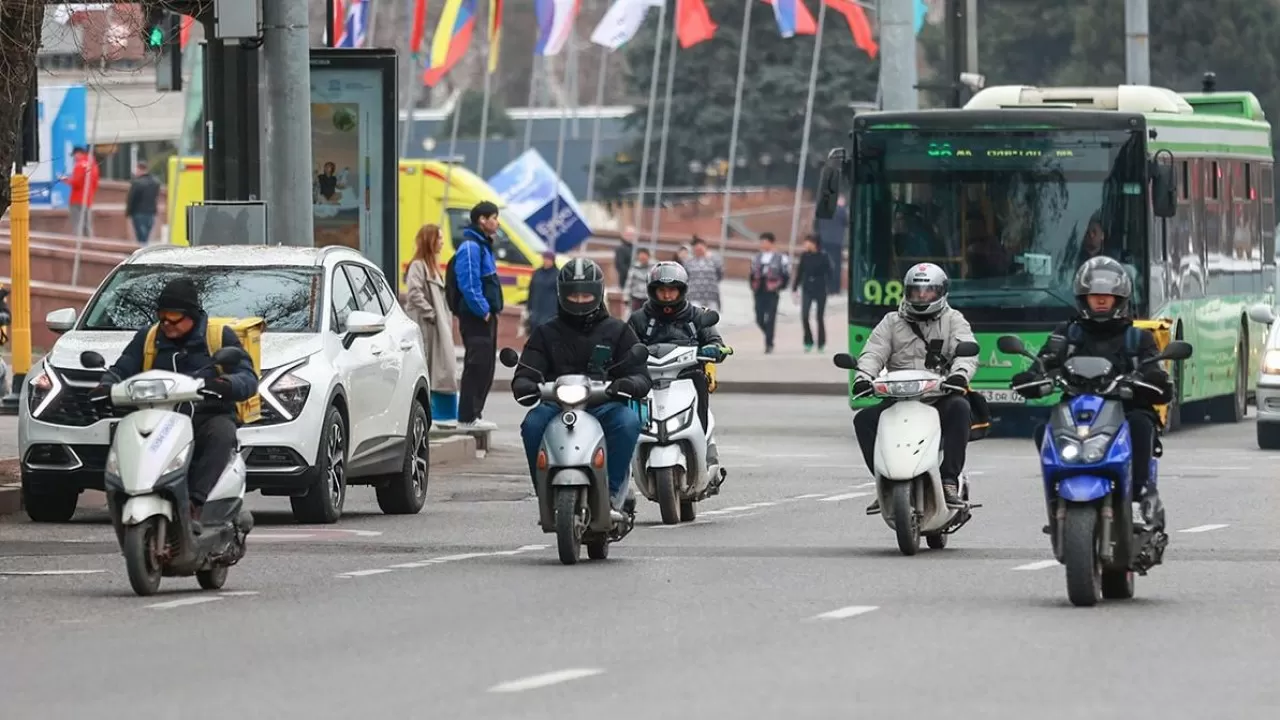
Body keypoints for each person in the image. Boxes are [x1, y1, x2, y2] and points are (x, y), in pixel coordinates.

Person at [1011, 256, 1170, 528]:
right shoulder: (1067, 335)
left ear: (1119, 299)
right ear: (1083, 298)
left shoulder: (1137, 338)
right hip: (1077, 409)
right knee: (1044, 430)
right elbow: (1045, 362)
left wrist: (1150, 381)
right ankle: (1056, 495)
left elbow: (1155, 372)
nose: (1100, 301)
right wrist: (1032, 378)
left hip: (1124, 409)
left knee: (1142, 424)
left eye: (1106, 297)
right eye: (1094, 295)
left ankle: (1140, 492)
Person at [90, 278, 258, 532]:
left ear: (192, 315)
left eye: (174, 317)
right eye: (162, 316)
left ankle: (195, 505)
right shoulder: (147, 338)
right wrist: (105, 386)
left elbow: (247, 378)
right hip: (158, 418)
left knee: (222, 432)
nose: (166, 323)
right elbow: (122, 367)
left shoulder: (217, 336)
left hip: (204, 418)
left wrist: (225, 384)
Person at [512, 259, 652, 514]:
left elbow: (641, 375)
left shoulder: (618, 331)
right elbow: (526, 370)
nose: (579, 300)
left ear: (598, 294)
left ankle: (611, 492)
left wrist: (628, 383)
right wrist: (525, 384)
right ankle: (544, 489)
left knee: (627, 421)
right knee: (532, 424)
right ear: (562, 294)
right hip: (556, 404)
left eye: (585, 294)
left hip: (603, 404)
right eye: (574, 295)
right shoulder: (545, 332)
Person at [853, 263, 977, 512]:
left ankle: (948, 480)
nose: (921, 296)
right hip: (899, 399)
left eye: (928, 291)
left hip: (937, 396)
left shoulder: (953, 320)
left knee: (960, 409)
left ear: (941, 292)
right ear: (906, 292)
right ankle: (885, 483)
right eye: (916, 291)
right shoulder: (891, 321)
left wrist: (960, 375)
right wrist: (863, 377)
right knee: (863, 420)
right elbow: (873, 352)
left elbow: (966, 350)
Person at [627, 262, 729, 463]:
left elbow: (715, 341)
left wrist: (714, 349)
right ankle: (629, 453)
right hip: (648, 377)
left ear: (681, 290)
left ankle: (702, 437)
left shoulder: (697, 315)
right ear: (652, 291)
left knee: (700, 379)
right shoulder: (639, 319)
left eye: (672, 290)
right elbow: (625, 345)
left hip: (687, 375)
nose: (666, 296)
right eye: (661, 290)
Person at [448, 200, 504, 431]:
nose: (497, 222)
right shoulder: (471, 247)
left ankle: (475, 414)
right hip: (475, 317)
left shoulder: (483, 245)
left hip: (485, 316)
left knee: (486, 366)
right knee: (477, 365)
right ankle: (467, 417)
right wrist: (483, 311)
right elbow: (469, 283)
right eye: (494, 217)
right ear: (482, 220)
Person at [404, 224, 459, 427]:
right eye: (440, 238)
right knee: (428, 366)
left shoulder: (432, 265)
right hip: (427, 326)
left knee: (441, 366)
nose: (443, 243)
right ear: (430, 241)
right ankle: (429, 414)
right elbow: (414, 293)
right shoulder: (419, 265)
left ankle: (437, 414)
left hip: (437, 326)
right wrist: (432, 314)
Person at [749, 232, 791, 353]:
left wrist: (781, 286)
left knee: (771, 316)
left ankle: (769, 343)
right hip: (759, 289)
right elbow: (751, 273)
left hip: (772, 289)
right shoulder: (756, 257)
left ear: (771, 243)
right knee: (759, 316)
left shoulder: (781, 257)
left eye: (765, 242)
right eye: (761, 242)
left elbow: (786, 274)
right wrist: (752, 285)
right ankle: (768, 333)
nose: (763, 244)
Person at [792, 234, 831, 352]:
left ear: (814, 243)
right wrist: (795, 287)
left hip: (820, 289)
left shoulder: (823, 256)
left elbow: (829, 273)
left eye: (807, 242)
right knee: (804, 316)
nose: (805, 245)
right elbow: (800, 271)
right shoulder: (804, 256)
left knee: (819, 317)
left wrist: (829, 286)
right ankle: (808, 341)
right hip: (807, 288)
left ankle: (821, 343)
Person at [62, 146, 99, 237]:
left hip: (77, 199)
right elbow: (95, 183)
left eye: (74, 155)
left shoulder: (79, 165)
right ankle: (90, 244)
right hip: (88, 198)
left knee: (77, 224)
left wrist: (66, 180)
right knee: (87, 224)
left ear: (78, 153)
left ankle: (78, 245)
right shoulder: (93, 165)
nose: (74, 158)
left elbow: (77, 182)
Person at [125, 162, 161, 245]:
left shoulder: (137, 183)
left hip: (138, 213)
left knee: (141, 237)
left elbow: (131, 199)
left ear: (140, 169)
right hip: (151, 213)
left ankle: (143, 253)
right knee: (146, 236)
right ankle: (145, 249)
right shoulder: (155, 182)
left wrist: (128, 212)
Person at [684, 237, 723, 311]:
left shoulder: (714, 260)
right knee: (696, 317)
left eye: (701, 248)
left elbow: (720, 274)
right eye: (697, 249)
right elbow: (686, 277)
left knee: (711, 318)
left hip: (711, 296)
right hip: (694, 295)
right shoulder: (689, 262)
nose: (699, 251)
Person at [526, 251, 560, 331]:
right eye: (545, 258)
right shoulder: (537, 273)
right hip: (536, 308)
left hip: (550, 310)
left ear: (553, 261)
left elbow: (561, 295)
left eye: (548, 259)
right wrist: (529, 307)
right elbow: (531, 290)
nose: (546, 261)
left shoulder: (557, 274)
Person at [625, 246, 653, 312]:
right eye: (641, 256)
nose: (642, 258)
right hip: (636, 297)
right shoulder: (634, 268)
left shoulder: (653, 267)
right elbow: (629, 283)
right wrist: (626, 296)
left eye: (644, 256)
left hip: (649, 298)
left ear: (648, 256)